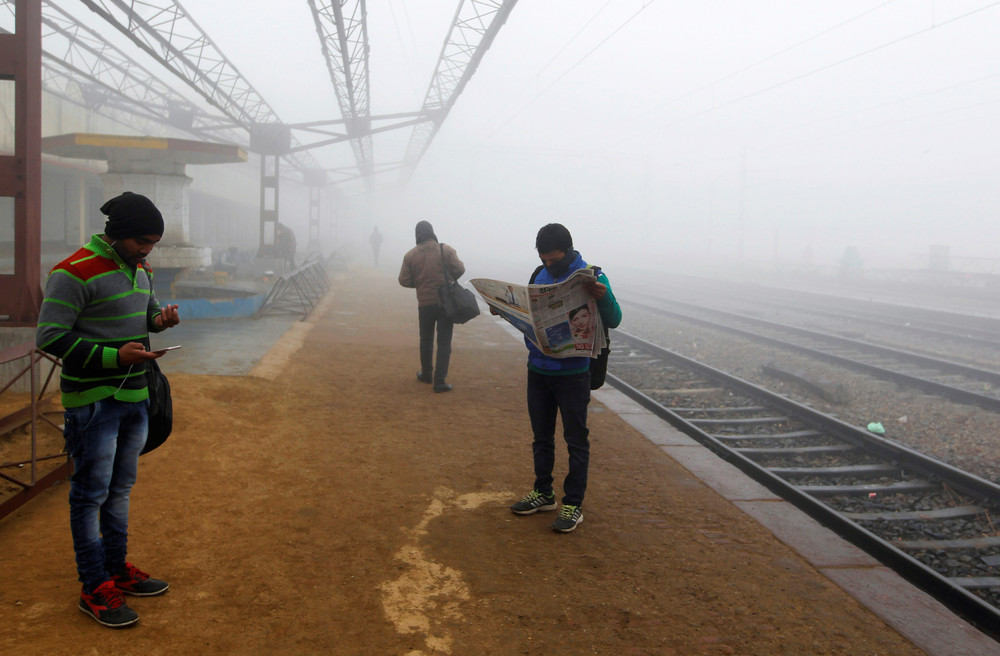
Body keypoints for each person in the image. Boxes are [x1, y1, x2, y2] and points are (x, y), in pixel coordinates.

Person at [35, 191, 180, 628]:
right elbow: (49, 338)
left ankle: (117, 568)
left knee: (119, 491)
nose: (147, 250)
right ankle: (93, 585)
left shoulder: (142, 268)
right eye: (142, 241)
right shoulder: (72, 273)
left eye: (152, 243)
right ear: (117, 235)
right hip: (92, 403)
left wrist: (161, 320)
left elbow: (146, 312)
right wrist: (114, 358)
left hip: (134, 397)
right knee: (90, 494)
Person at [509, 223, 622, 533]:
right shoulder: (538, 275)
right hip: (539, 370)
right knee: (541, 437)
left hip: (573, 374)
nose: (548, 265)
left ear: (569, 251)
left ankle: (573, 502)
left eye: (554, 260)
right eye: (544, 260)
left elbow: (615, 319)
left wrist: (603, 298)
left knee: (575, 439)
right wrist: (508, 311)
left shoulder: (593, 276)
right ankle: (543, 492)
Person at [398, 220, 465, 393]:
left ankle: (426, 374)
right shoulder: (446, 250)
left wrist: (420, 284)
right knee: (444, 342)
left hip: (425, 304)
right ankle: (440, 381)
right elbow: (460, 269)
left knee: (425, 340)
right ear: (432, 232)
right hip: (445, 303)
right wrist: (448, 279)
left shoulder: (410, 255)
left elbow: (403, 280)